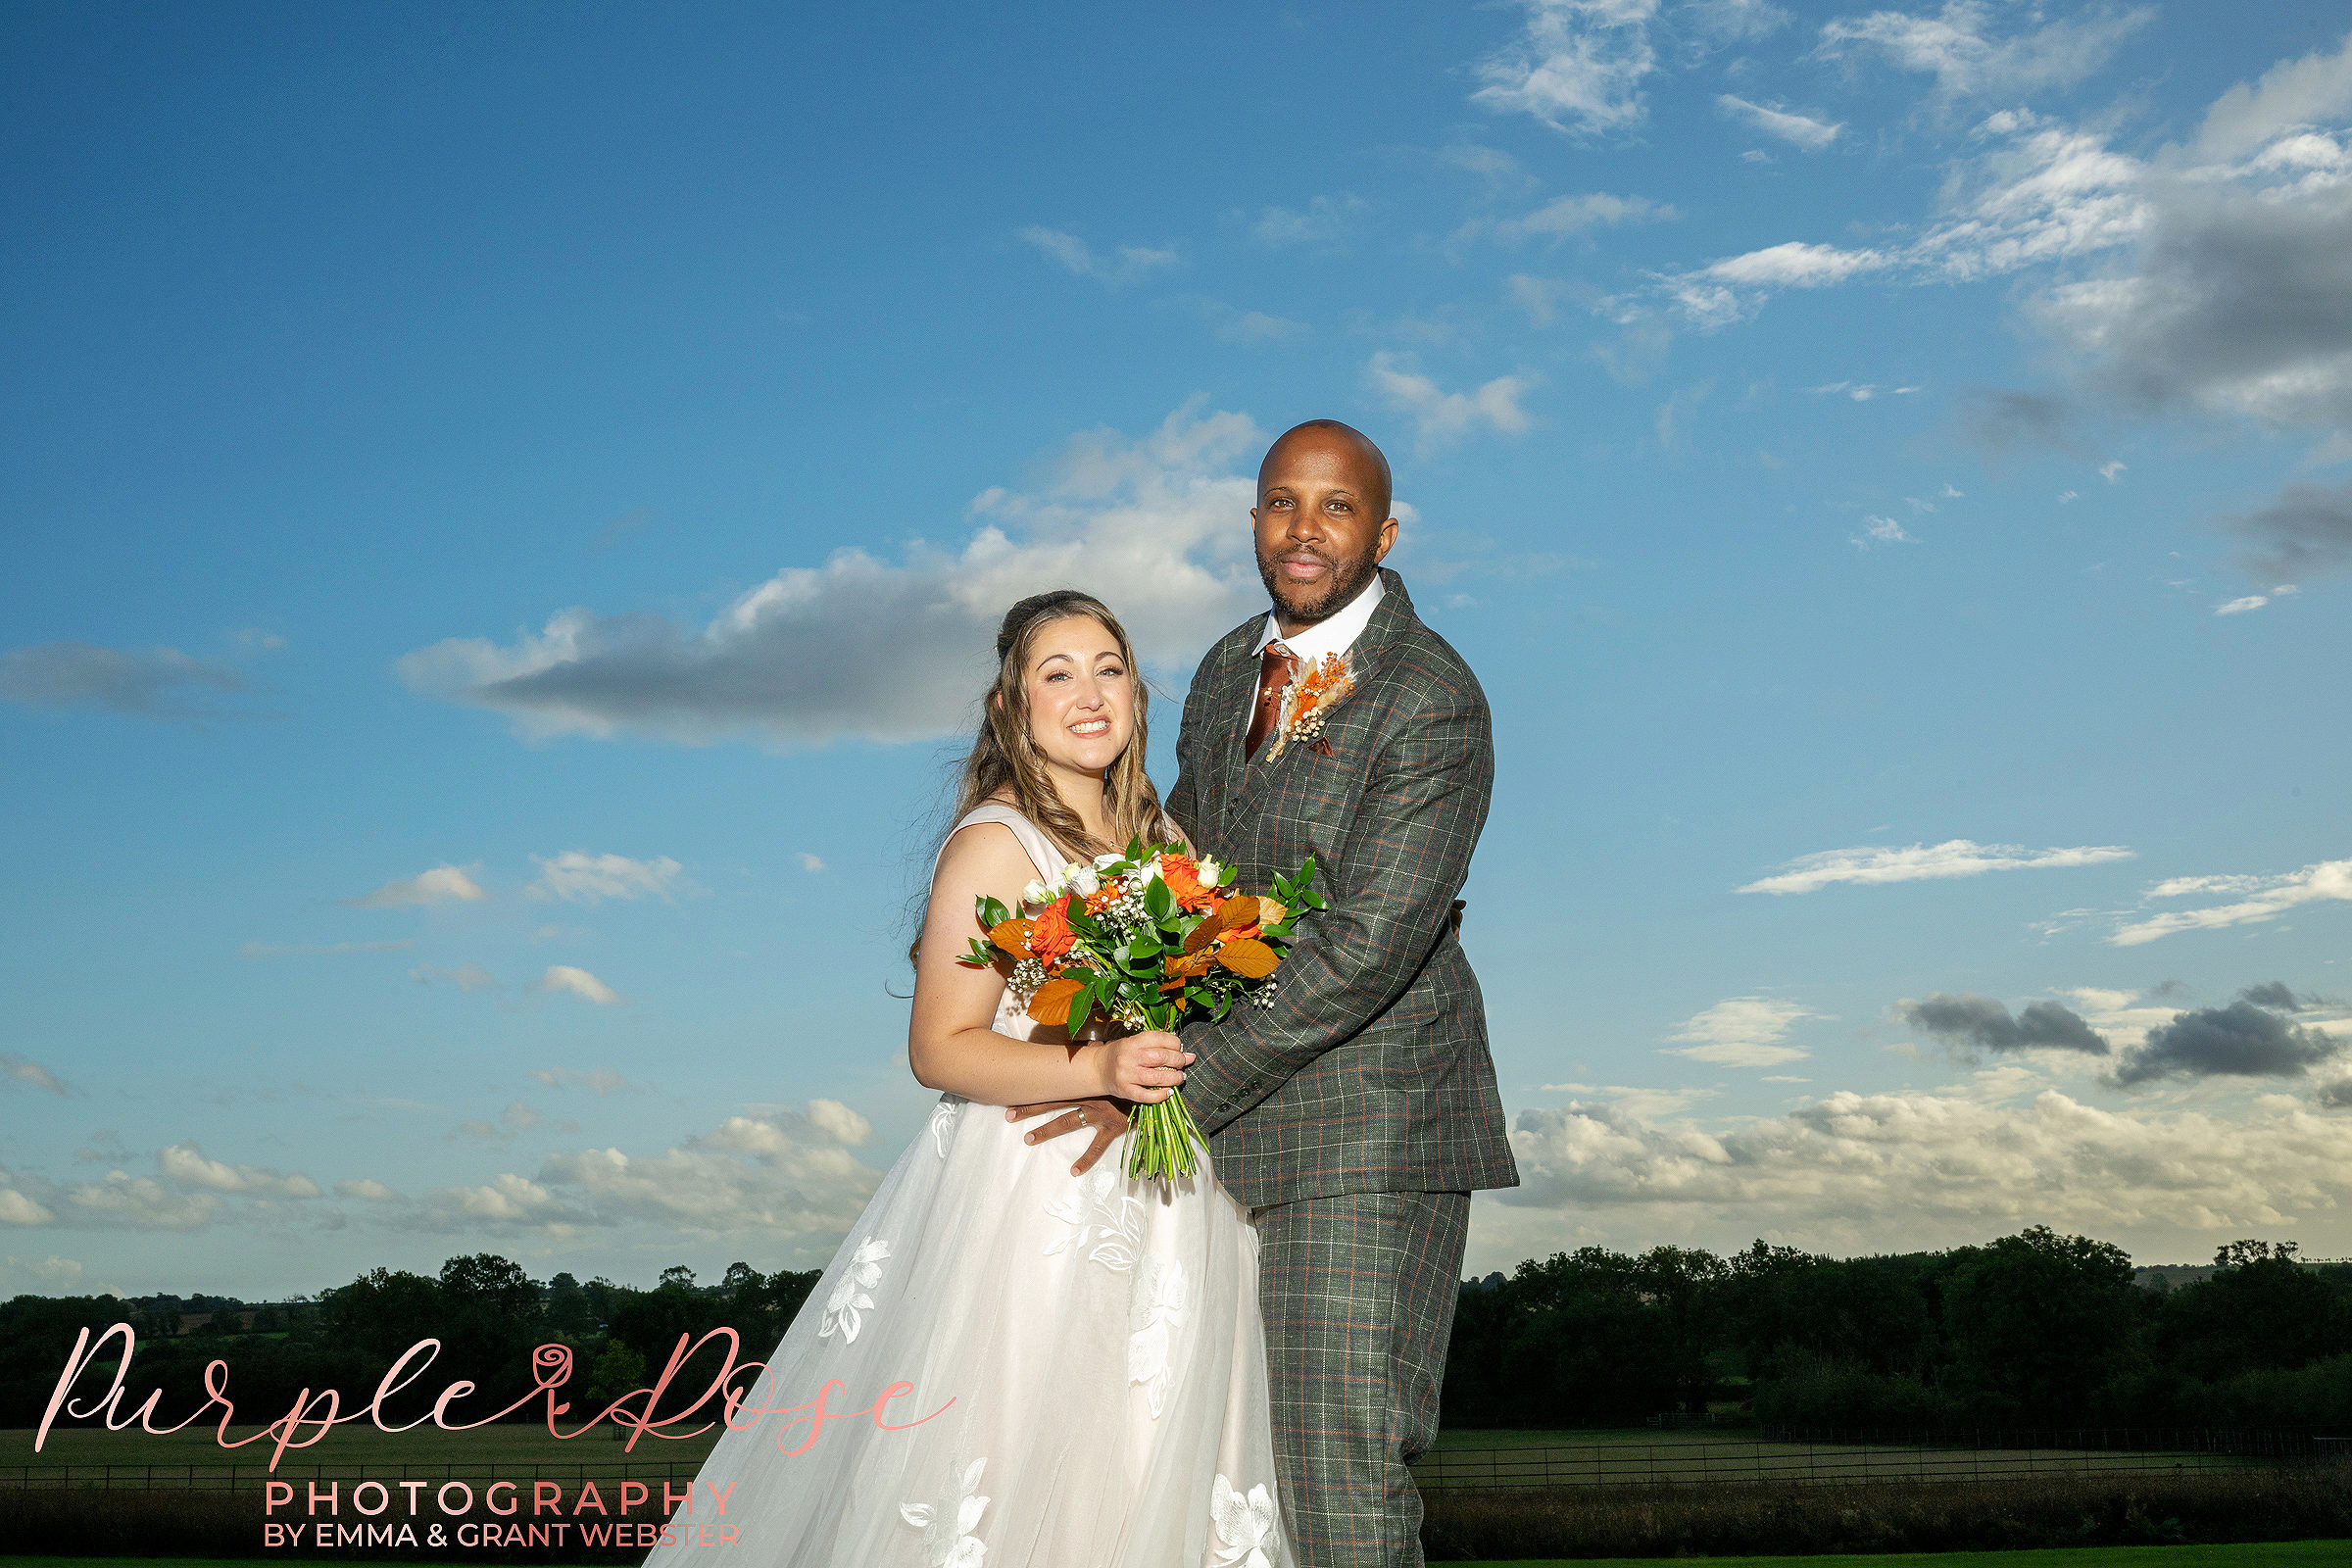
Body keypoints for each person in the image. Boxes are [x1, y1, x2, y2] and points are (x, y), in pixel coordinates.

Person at [643, 589, 1296, 1568]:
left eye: (1108, 668)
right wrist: (1101, 1064)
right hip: (1035, 1204)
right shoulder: (996, 841)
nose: (1089, 693)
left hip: (1171, 1197)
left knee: (1152, 1457)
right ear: (1011, 706)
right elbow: (939, 1046)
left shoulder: (1167, 846)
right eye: (1058, 672)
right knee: (1025, 1452)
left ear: (1138, 695)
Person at [1163, 420, 1518, 1567]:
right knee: (1221, 1476)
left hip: (1366, 1130)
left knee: (1335, 1484)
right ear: (1254, 519)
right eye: (1281, 503)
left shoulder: (1432, 698)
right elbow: (1187, 869)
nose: (1303, 531)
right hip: (1223, 1139)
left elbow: (1372, 941)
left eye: (1336, 507)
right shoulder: (1227, 669)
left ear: (1384, 529)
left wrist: (1177, 1092)